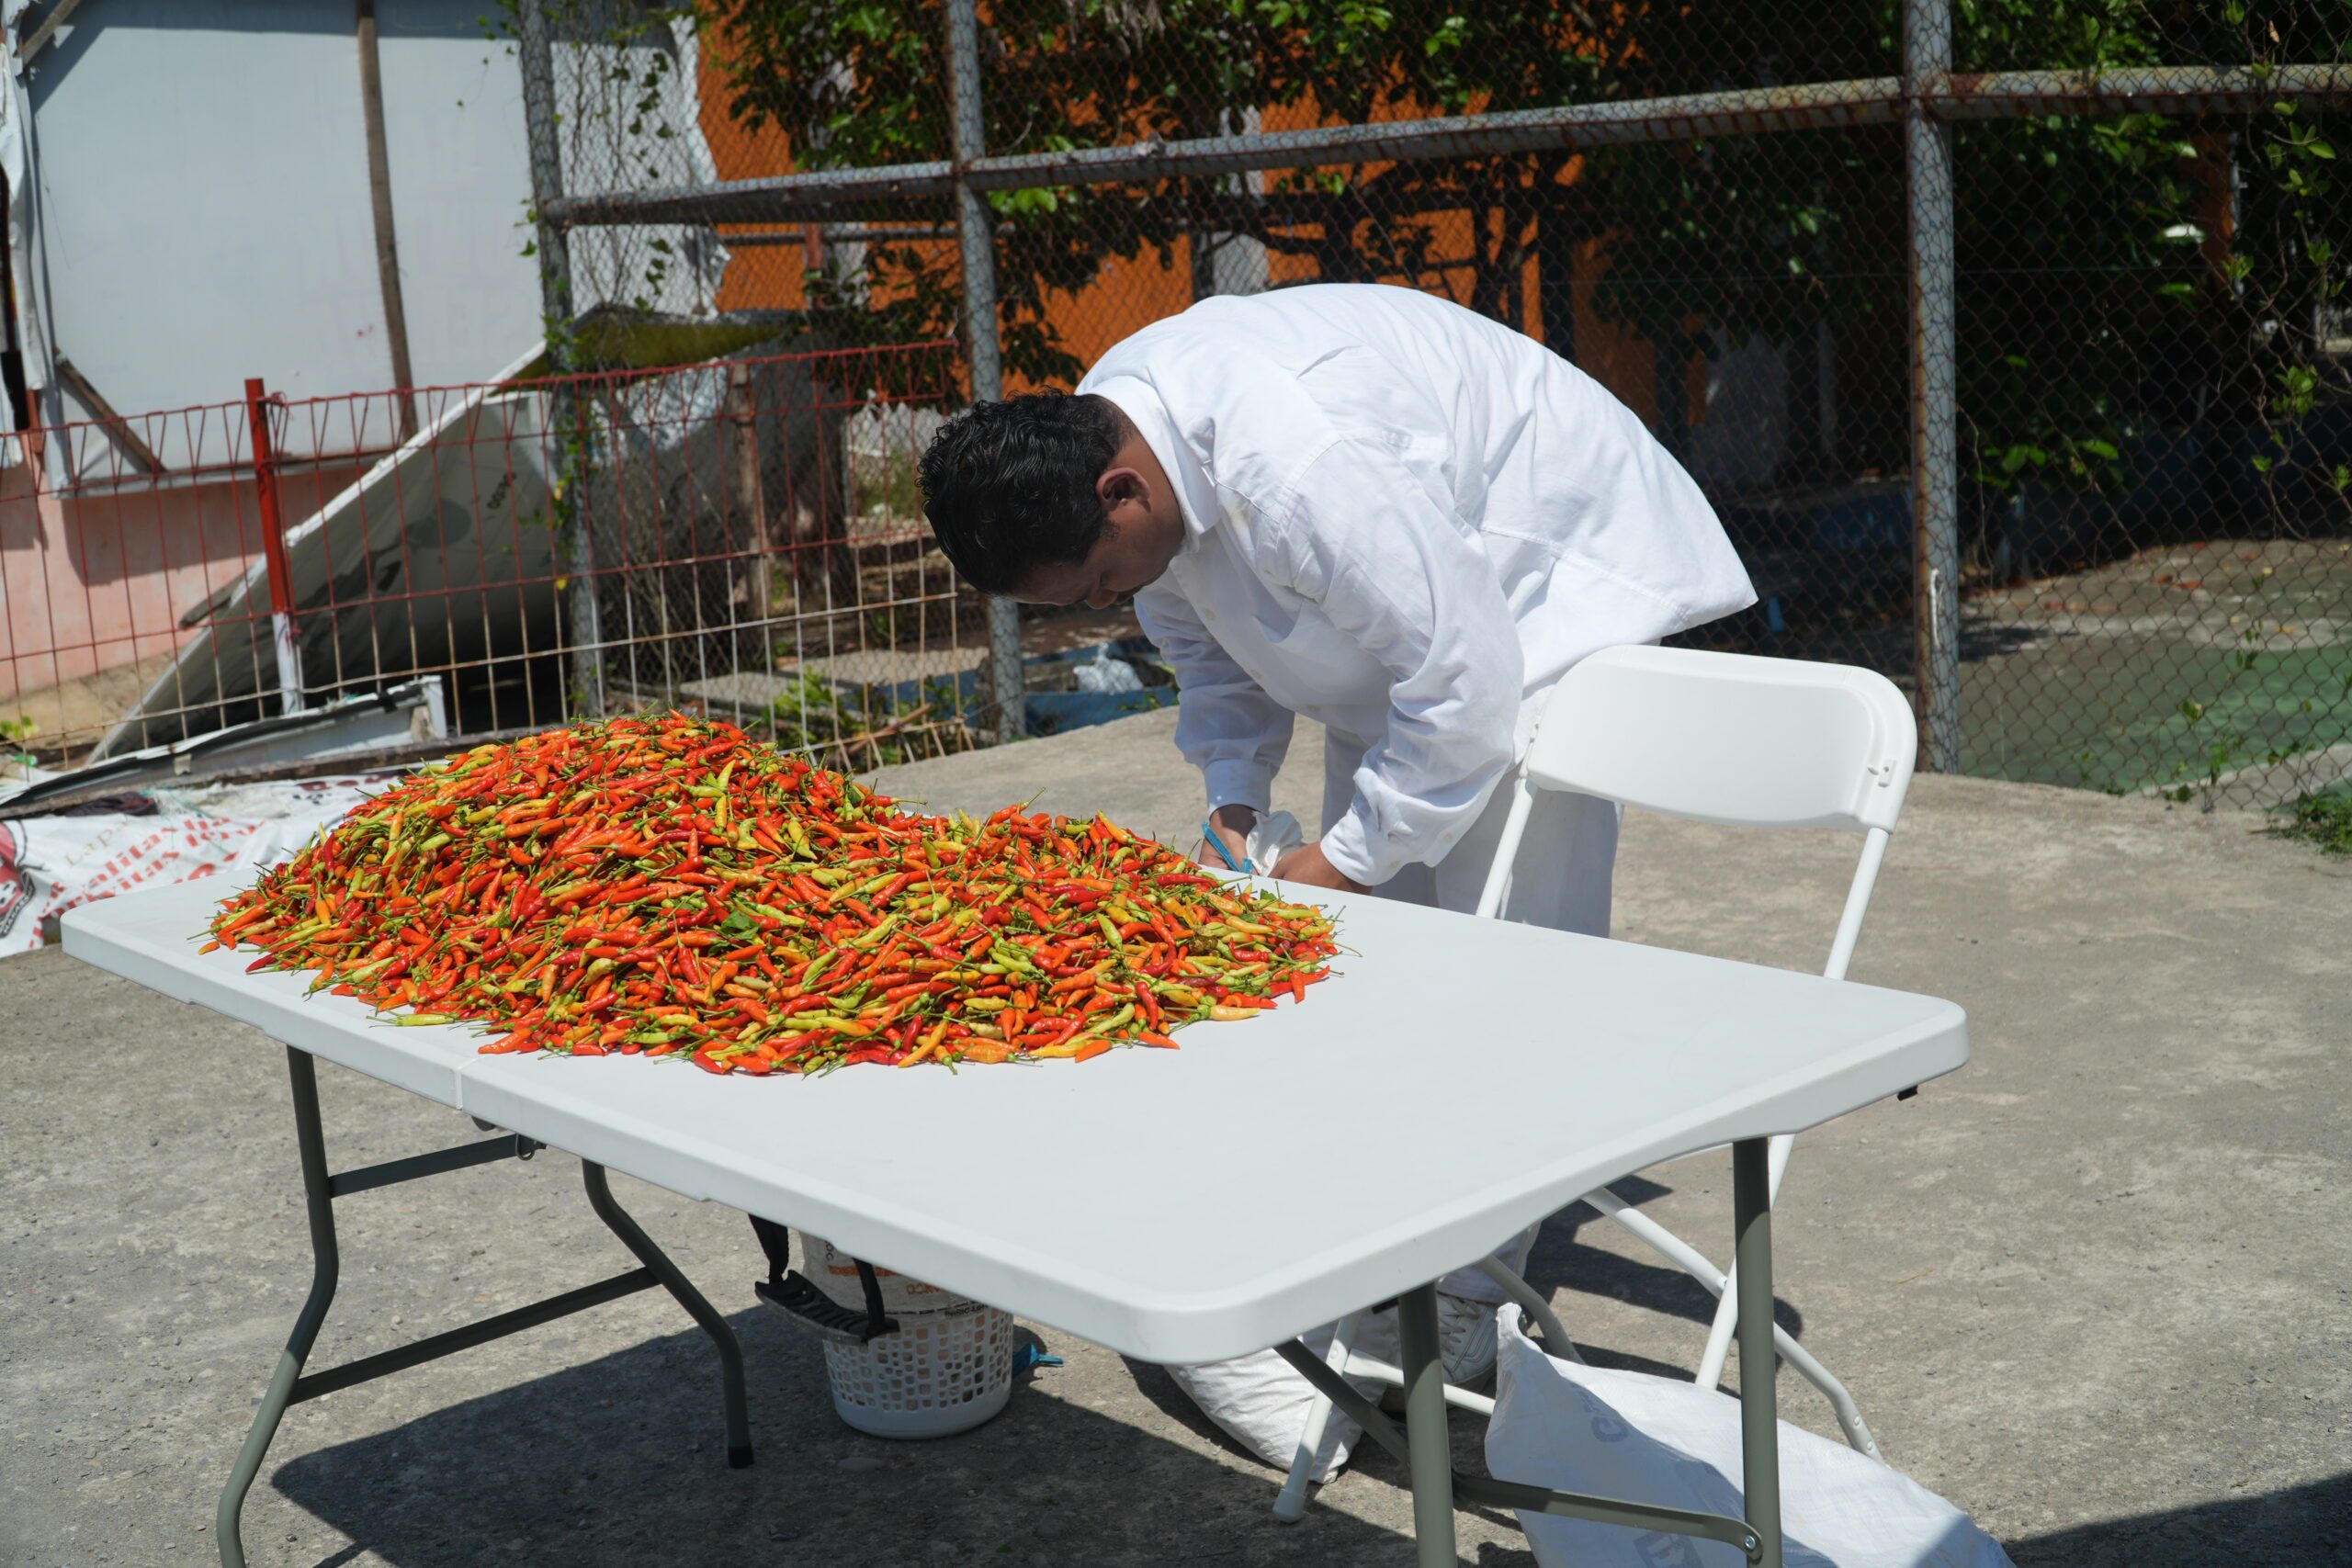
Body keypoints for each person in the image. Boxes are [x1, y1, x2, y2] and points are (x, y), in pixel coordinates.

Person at [917, 281, 1755, 1466]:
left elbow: (1464, 681)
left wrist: (1343, 861)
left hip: (1534, 591)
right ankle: (1402, 1244)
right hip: (1412, 629)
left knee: (1511, 975)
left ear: (1121, 491)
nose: (1110, 604)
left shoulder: (1297, 464)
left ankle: (1467, 1291)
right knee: (1381, 976)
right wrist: (1234, 798)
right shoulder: (1114, 443)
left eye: (1099, 585)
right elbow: (1212, 648)